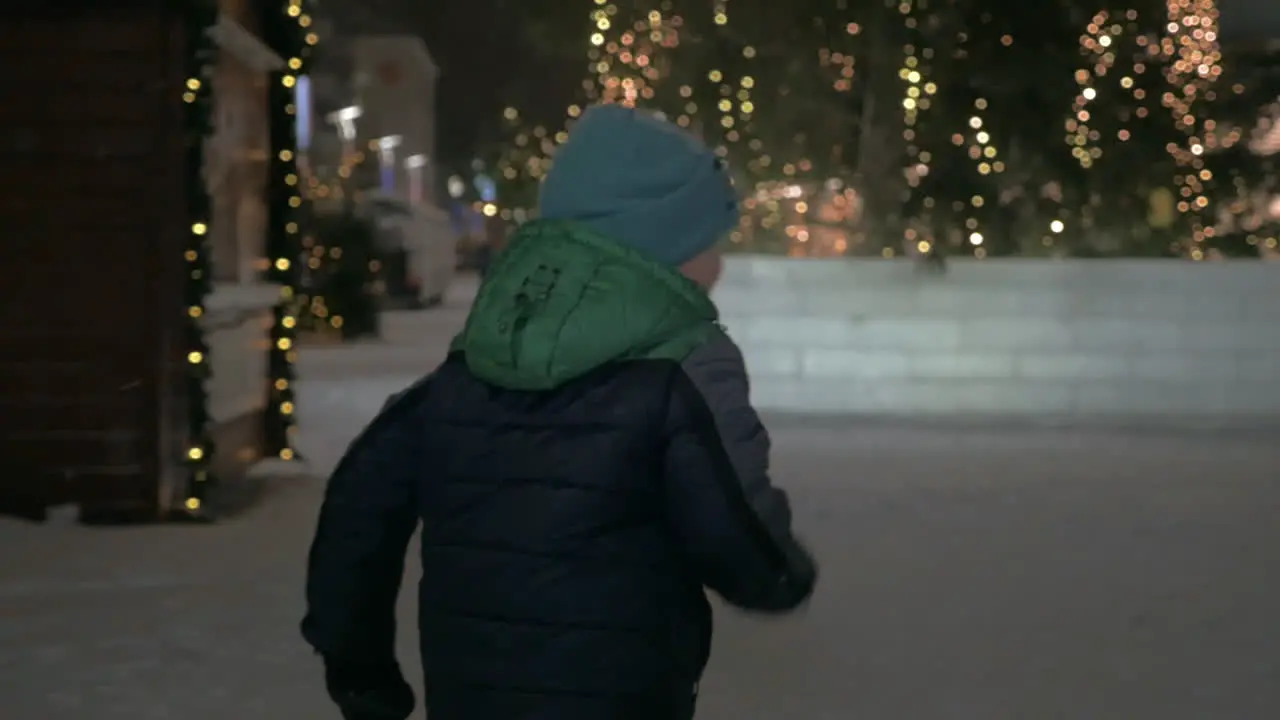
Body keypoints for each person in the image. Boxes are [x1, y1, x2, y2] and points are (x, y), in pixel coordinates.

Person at [301, 103, 818, 720]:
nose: (719, 264)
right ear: (661, 247)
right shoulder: (685, 365)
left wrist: (359, 669)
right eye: (708, 242)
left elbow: (357, 512)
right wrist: (782, 574)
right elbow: (737, 538)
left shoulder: (472, 360)